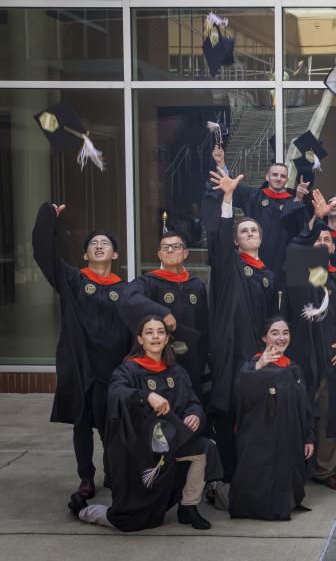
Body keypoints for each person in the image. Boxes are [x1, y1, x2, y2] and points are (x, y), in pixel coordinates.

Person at [68, 316, 211, 531]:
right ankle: (83, 510)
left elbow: (192, 401)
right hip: (138, 451)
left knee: (204, 448)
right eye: (149, 332)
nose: (155, 336)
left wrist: (195, 414)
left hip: (168, 444)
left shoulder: (177, 372)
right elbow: (116, 393)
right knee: (130, 521)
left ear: (166, 339)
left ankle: (188, 507)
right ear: (140, 340)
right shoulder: (128, 370)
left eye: (160, 332)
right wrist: (146, 397)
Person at [33, 202, 130, 500]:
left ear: (115, 254)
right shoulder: (74, 281)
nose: (99, 247)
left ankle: (113, 471)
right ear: (85, 254)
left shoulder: (126, 290)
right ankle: (86, 477)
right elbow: (43, 253)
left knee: (109, 424)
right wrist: (48, 218)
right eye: (93, 244)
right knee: (81, 423)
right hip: (79, 362)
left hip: (111, 366)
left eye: (105, 244)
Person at [203, 170, 280, 480]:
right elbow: (219, 239)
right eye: (243, 231)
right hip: (231, 349)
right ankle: (227, 474)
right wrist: (228, 199)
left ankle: (250, 470)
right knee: (227, 410)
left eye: (253, 230)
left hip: (257, 352)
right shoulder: (230, 265)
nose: (249, 233)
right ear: (235, 241)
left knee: (252, 412)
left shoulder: (268, 274)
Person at [284, 223, 336, 492]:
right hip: (303, 358)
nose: (322, 242)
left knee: (330, 416)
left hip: (335, 360)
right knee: (298, 413)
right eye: (317, 239)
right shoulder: (300, 277)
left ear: (333, 247)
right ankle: (294, 467)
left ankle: (325, 469)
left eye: (327, 239)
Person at [228, 318, 315, 520]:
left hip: (288, 438)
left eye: (285, 332)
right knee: (255, 496)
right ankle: (218, 492)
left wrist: (309, 436)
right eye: (274, 333)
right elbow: (242, 391)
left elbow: (305, 407)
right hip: (260, 440)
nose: (281, 337)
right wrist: (260, 365)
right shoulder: (252, 365)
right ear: (264, 337)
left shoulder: (294, 368)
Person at [120, 231, 209, 397]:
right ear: (159, 254)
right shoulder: (148, 282)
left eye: (176, 246)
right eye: (165, 247)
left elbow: (204, 324)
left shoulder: (196, 285)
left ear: (185, 253)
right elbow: (128, 297)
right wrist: (161, 312)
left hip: (192, 358)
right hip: (161, 355)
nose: (170, 250)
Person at [212, 145, 308, 273]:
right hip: (253, 262)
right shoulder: (254, 196)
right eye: (274, 175)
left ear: (287, 180)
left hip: (282, 264)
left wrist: (298, 198)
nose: (278, 178)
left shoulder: (294, 202)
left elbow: (303, 231)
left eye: (282, 176)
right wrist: (221, 163)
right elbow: (231, 187)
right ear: (267, 177)